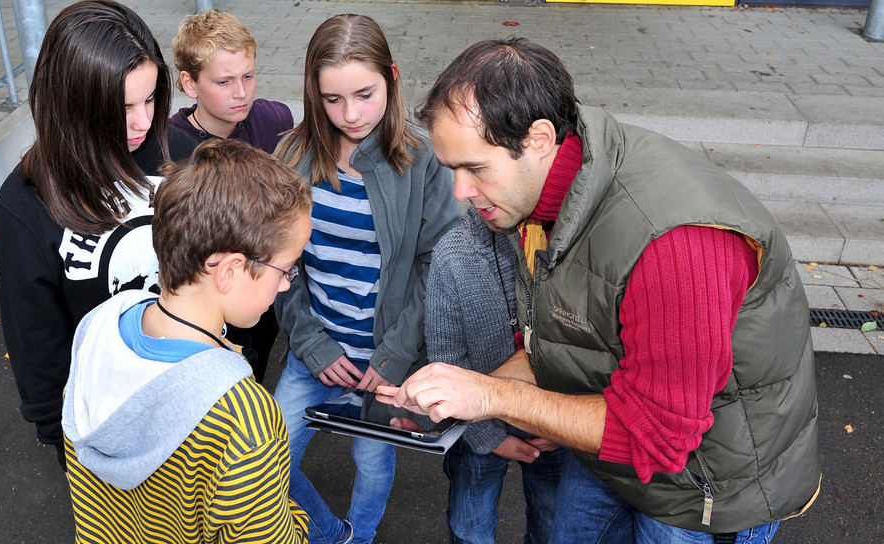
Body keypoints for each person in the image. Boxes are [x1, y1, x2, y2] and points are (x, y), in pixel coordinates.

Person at [378, 38, 821, 543]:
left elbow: (654, 439)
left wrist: (488, 394)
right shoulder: (535, 198)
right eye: (451, 169)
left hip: (704, 489)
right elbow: (556, 343)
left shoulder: (672, 242)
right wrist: (454, 407)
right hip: (611, 450)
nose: (460, 191)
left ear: (540, 138)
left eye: (475, 168)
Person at [62, 138, 312, 543]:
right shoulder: (245, 420)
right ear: (230, 270)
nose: (286, 285)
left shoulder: (95, 330)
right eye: (285, 269)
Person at [272, 14, 458, 544]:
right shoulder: (290, 155)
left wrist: (394, 357)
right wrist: (310, 343)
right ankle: (333, 533)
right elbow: (279, 268)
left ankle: (363, 535)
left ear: (392, 78)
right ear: (313, 92)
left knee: (372, 463)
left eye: (364, 94)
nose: (351, 115)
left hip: (384, 361)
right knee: (263, 465)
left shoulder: (423, 159)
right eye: (332, 99)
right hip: (314, 354)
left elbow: (435, 270)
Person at [0, 0, 195, 471]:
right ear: (71, 105)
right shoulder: (24, 204)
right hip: (107, 433)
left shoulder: (178, 151)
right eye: (122, 108)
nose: (144, 122)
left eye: (150, 99)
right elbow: (35, 339)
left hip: (197, 403)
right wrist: (57, 432)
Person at [425, 207, 565, 544]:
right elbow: (447, 359)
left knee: (552, 525)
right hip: (475, 425)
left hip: (553, 421)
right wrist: (489, 438)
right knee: (469, 525)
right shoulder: (452, 255)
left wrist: (565, 426)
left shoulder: (567, 240)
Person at [169, 10, 296, 382]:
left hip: (264, 295)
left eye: (248, 76)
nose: (241, 93)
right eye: (224, 81)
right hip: (207, 304)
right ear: (190, 84)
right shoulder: (172, 148)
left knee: (253, 375)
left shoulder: (275, 121)